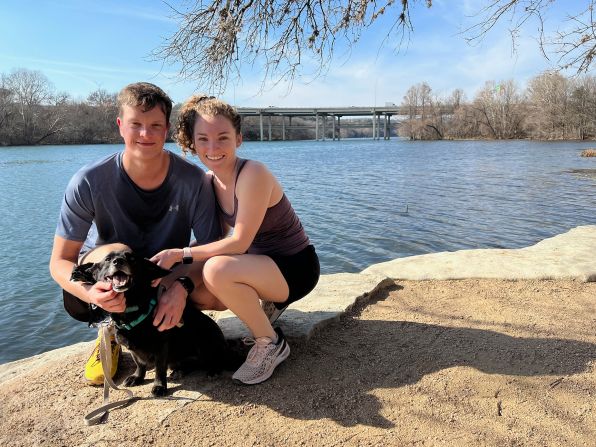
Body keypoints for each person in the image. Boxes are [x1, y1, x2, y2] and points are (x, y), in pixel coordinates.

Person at [49, 82, 222, 384]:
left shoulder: (193, 181)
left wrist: (181, 286)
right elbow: (59, 262)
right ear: (120, 126)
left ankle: (169, 332)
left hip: (157, 277)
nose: (146, 134)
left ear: (167, 128)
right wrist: (90, 292)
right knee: (120, 251)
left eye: (155, 125)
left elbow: (212, 248)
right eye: (136, 125)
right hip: (105, 273)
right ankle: (112, 329)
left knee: (218, 282)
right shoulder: (88, 180)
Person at [150, 95, 320, 385]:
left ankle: (270, 343)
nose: (213, 148)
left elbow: (238, 243)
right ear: (192, 143)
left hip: (295, 268)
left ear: (238, 139)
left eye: (223, 137)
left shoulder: (253, 173)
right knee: (194, 289)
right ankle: (264, 311)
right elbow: (215, 241)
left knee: (215, 270)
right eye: (203, 139)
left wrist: (180, 253)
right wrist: (176, 274)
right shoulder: (209, 182)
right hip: (260, 267)